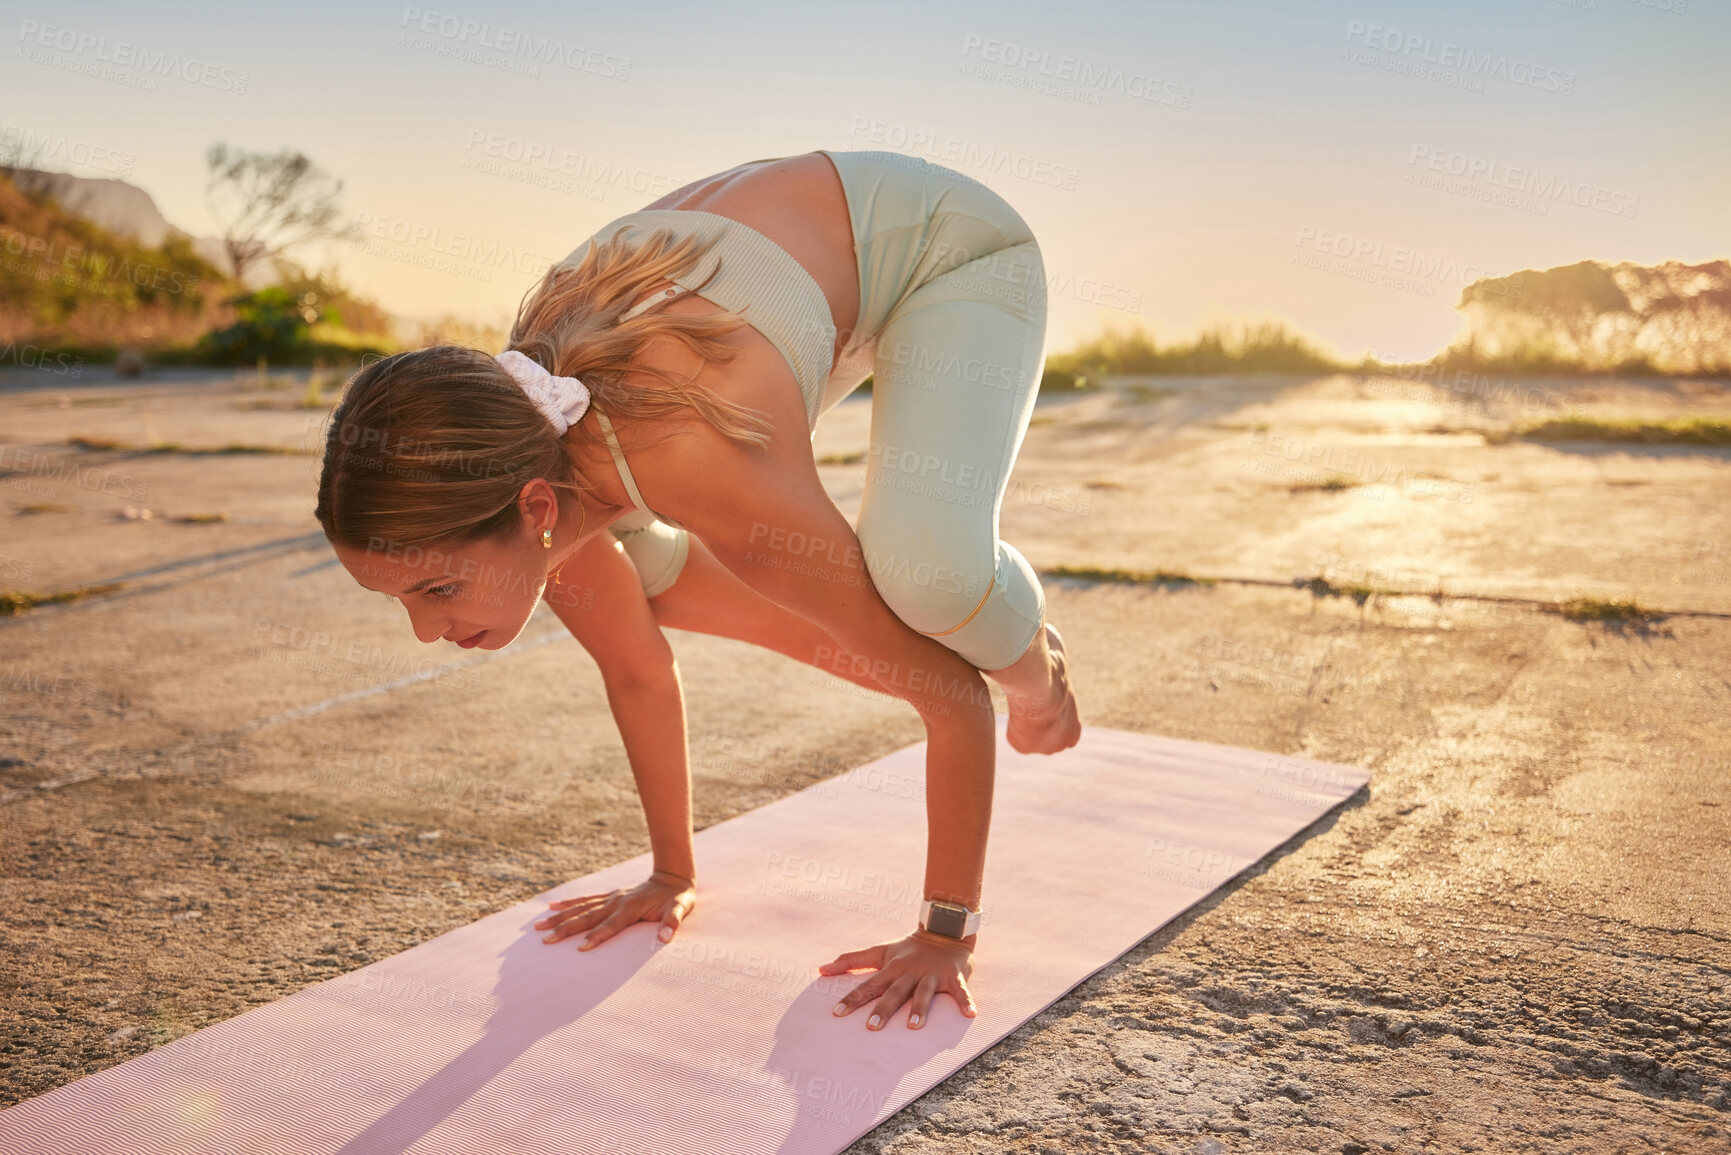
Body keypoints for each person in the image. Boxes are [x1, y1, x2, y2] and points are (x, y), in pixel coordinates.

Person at [314, 149, 1081, 1033]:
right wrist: (670, 875)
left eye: (438, 585)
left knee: (925, 580)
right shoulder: (535, 466)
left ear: (532, 510)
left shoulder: (698, 463)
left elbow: (948, 698)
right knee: (664, 587)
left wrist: (946, 933)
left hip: (948, 248)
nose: (424, 630)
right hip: (780, 295)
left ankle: (1039, 667)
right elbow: (639, 672)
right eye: (404, 598)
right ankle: (942, 630)